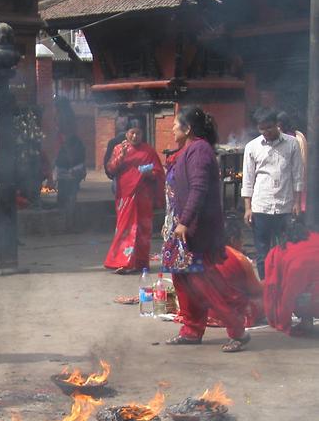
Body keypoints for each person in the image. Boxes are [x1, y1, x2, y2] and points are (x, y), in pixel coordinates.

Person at [163, 106, 250, 352]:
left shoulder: (199, 150)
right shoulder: (186, 150)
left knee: (205, 282)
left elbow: (198, 189)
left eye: (175, 124)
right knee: (183, 280)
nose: (172, 128)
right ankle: (191, 329)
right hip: (182, 230)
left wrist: (185, 221)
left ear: (188, 128)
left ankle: (238, 331)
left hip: (196, 232)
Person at [242, 107, 304, 279]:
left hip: (285, 207)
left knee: (287, 251)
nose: (266, 132)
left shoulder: (292, 143)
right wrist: (248, 208)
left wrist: (297, 203)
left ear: (277, 125)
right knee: (262, 253)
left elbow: (297, 175)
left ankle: (285, 286)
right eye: (262, 129)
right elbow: (247, 180)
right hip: (261, 206)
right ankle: (265, 287)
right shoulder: (252, 147)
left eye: (269, 127)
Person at [102, 124, 165, 274]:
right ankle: (122, 263)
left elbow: (159, 172)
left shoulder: (148, 150)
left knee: (143, 229)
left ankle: (141, 263)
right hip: (125, 194)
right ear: (127, 133)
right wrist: (121, 156)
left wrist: (149, 172)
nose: (135, 136)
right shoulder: (118, 148)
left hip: (144, 195)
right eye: (132, 133)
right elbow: (110, 169)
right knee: (124, 228)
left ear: (142, 134)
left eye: (138, 133)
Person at [263, 219, 319, 335]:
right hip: (311, 289)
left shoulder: (280, 249)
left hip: (299, 282)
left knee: (292, 293)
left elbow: (272, 286)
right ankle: (306, 321)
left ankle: (305, 320)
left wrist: (281, 323)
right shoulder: (315, 238)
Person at [53, 117, 86, 221]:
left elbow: (80, 159)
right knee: (64, 196)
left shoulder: (77, 143)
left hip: (73, 174)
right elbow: (58, 160)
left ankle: (69, 219)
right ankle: (65, 218)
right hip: (63, 174)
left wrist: (74, 170)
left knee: (70, 196)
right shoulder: (60, 142)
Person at [277, 111, 308, 214]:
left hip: (294, 176)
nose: (277, 129)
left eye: (279, 126)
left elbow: (301, 161)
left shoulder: (296, 138)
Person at [103, 116, 130, 181]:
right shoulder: (114, 142)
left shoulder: (113, 141)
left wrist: (109, 174)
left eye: (124, 122)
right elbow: (107, 160)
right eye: (121, 122)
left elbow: (107, 159)